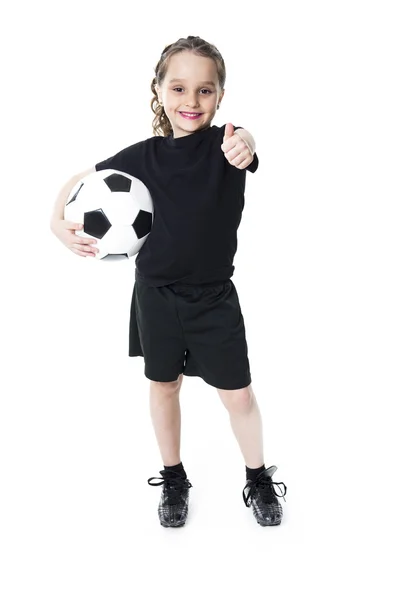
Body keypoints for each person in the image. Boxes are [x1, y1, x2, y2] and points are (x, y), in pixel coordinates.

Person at [50, 35, 287, 528]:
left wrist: (249, 142)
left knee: (239, 394)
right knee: (163, 385)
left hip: (214, 298)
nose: (191, 101)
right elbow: (79, 180)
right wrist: (56, 220)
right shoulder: (142, 157)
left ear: (219, 96)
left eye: (205, 90)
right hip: (155, 296)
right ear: (158, 91)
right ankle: (174, 477)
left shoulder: (229, 143)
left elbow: (248, 142)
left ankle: (258, 477)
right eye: (178, 88)